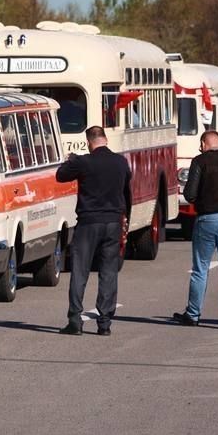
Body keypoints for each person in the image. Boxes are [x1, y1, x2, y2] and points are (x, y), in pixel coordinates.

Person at [57, 125, 132, 336]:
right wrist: (125, 220)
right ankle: (105, 323)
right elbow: (127, 193)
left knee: (80, 270)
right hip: (113, 222)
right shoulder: (121, 162)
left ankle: (75, 320)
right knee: (108, 272)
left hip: (89, 222)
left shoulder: (83, 162)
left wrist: (71, 160)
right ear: (105, 139)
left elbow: (61, 175)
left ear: (89, 142)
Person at [172, 131, 218, 330]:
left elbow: (190, 194)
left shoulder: (200, 161)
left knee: (200, 269)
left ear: (204, 143)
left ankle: (193, 314)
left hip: (208, 219)